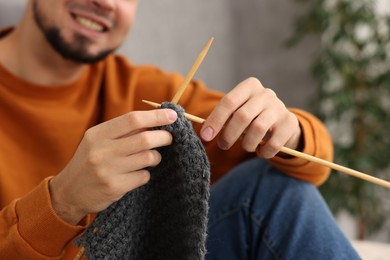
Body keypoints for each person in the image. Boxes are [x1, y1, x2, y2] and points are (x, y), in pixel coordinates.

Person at [0, 0, 359, 259]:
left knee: (271, 189)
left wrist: (287, 128)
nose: (106, 3)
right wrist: (61, 203)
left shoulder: (142, 90)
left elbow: (314, 161)